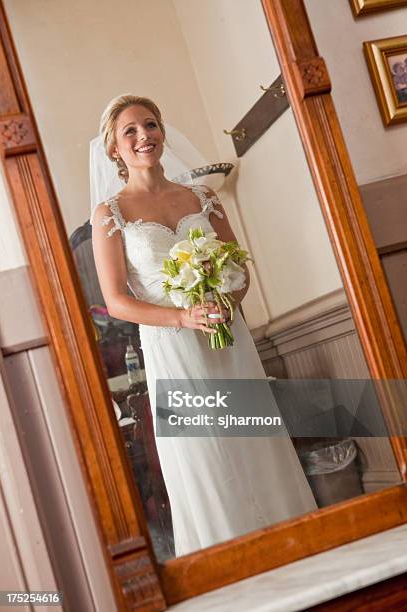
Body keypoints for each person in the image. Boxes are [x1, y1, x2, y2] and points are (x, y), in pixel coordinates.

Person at [91, 94, 317, 557]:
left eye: (150, 125)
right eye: (129, 131)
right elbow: (116, 301)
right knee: (206, 451)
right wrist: (182, 316)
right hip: (172, 347)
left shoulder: (202, 197)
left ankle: (291, 544)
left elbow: (240, 268)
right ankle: (228, 556)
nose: (143, 137)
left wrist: (224, 300)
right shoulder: (109, 214)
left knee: (253, 436)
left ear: (162, 132)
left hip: (227, 339)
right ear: (113, 147)